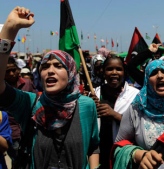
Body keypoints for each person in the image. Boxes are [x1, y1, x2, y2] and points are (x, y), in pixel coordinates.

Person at [0, 7, 99, 169]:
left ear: (71, 73)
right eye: (45, 66)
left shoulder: (87, 106)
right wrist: (9, 29)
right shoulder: (30, 103)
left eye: (58, 66)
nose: (50, 70)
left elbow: (93, 145)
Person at [113, 60, 164, 169]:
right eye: (153, 73)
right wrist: (138, 155)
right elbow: (118, 148)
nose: (160, 76)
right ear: (147, 80)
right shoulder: (135, 110)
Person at [92, 55, 139, 169]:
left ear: (124, 71)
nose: (114, 72)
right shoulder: (95, 93)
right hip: (99, 154)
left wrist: (114, 115)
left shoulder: (135, 95)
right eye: (109, 69)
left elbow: (139, 126)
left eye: (118, 69)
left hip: (123, 154)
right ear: (103, 72)